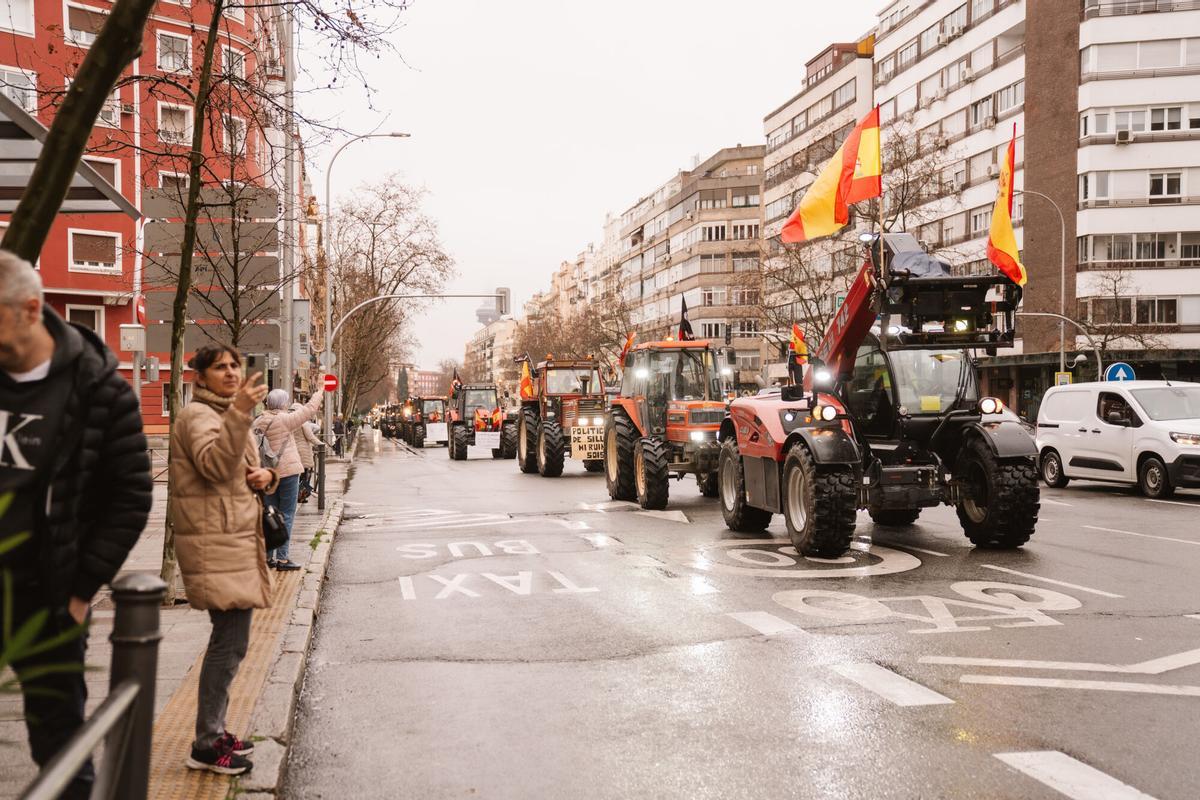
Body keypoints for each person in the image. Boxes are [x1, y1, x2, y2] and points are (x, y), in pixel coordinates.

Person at [0, 252, 152, 799]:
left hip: (49, 595)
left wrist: (82, 588)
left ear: (30, 309)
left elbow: (131, 495)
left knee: (59, 744)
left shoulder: (100, 390)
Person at [170, 344, 274, 776]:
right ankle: (206, 744)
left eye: (235, 364)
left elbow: (242, 471)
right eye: (220, 367)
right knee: (227, 645)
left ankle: (214, 729)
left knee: (232, 644)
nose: (232, 372)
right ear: (200, 378)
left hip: (233, 541)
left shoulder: (226, 414)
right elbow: (214, 467)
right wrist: (241, 414)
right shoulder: (197, 417)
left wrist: (265, 477)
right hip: (216, 545)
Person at [253, 389, 322, 570]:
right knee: (287, 514)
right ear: (283, 404)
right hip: (288, 473)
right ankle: (283, 559)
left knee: (269, 514)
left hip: (267, 474)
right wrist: (320, 390)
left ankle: (268, 557)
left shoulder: (258, 421)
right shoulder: (284, 419)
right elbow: (309, 409)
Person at [293, 411, 320, 503]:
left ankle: (298, 495)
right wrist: (321, 444)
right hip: (303, 452)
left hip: (294, 450)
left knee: (297, 475)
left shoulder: (291, 422)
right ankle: (301, 496)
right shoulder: (303, 423)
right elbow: (310, 437)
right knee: (304, 475)